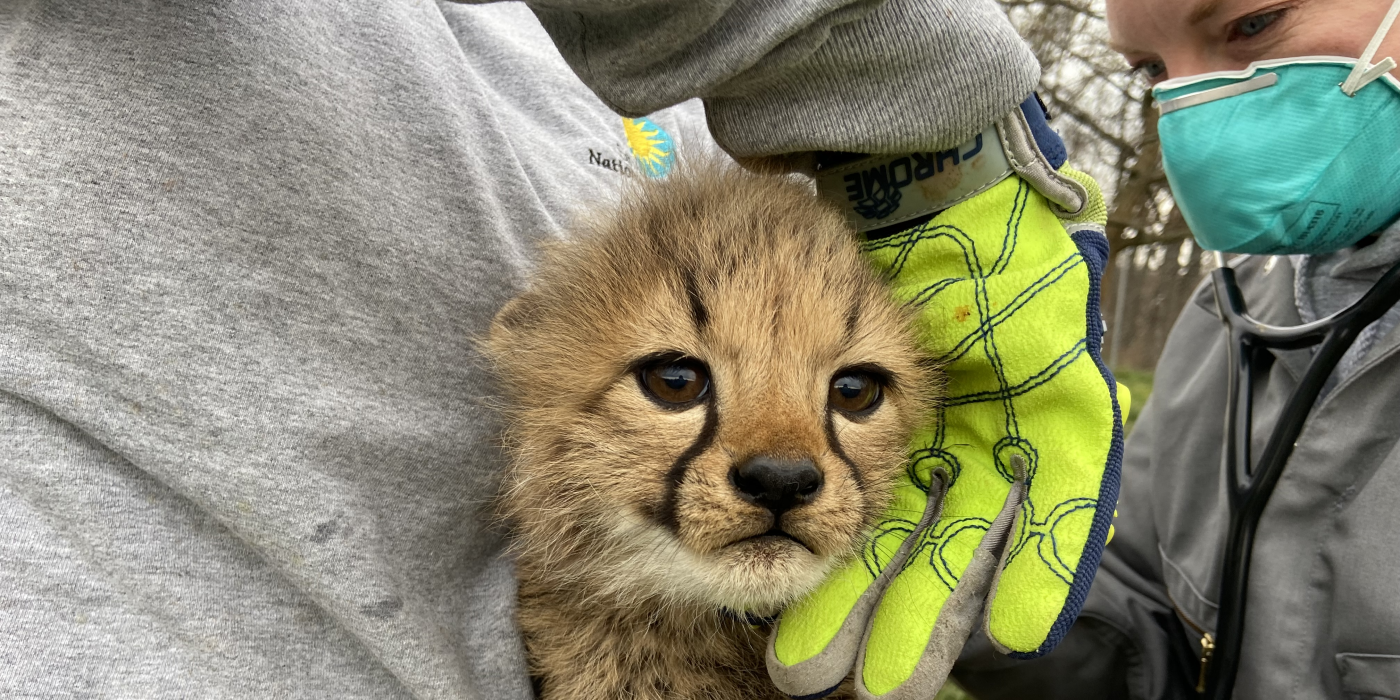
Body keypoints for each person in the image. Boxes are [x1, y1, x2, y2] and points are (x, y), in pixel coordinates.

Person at [0, 2, 1070, 698]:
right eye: (676, 378)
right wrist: (915, 67)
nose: (785, 456)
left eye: (852, 389)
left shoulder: (670, 83)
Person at [953, 1, 1400, 698]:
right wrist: (970, 579)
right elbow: (1140, 627)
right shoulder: (1229, 321)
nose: (1190, 109)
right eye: (1152, 69)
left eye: (1254, 23)